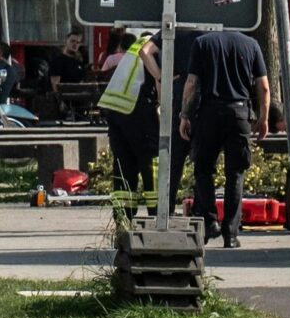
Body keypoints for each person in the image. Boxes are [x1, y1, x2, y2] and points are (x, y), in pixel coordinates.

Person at [177, 26, 271, 248]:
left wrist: (184, 115)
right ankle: (231, 233)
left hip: (209, 113)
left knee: (203, 169)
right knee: (235, 173)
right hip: (239, 114)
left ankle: (210, 222)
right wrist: (263, 118)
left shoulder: (203, 43)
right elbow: (264, 87)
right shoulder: (252, 45)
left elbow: (191, 84)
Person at [94, 29, 161, 195]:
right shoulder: (160, 45)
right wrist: (162, 106)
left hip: (114, 106)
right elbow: (161, 79)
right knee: (151, 158)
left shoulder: (140, 42)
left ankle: (123, 216)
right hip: (135, 106)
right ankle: (156, 212)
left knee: (124, 163)